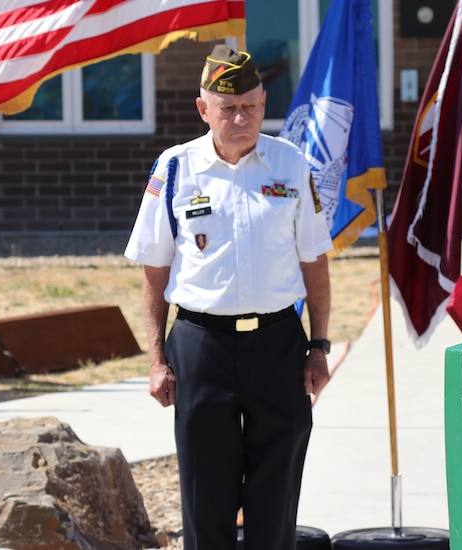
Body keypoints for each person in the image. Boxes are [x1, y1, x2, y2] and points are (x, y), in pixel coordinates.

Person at [124, 44, 333, 550]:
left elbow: (315, 264)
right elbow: (155, 273)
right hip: (201, 345)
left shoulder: (291, 164)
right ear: (204, 110)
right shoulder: (175, 169)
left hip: (278, 342)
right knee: (204, 494)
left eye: (252, 107)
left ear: (264, 103)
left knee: (276, 491)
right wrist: (157, 359)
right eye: (228, 108)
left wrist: (319, 345)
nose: (242, 118)